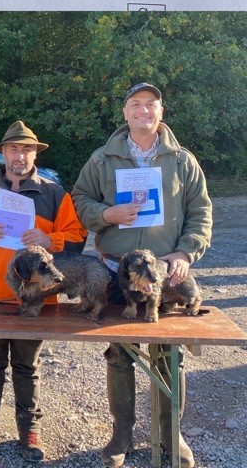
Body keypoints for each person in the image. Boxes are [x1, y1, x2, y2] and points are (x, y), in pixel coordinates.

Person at [71, 83, 212, 468]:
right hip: (116, 269)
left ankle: (170, 435)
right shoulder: (102, 159)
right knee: (120, 353)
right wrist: (106, 216)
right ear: (125, 112)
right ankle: (122, 434)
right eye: (136, 104)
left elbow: (201, 211)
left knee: (168, 356)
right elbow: (80, 200)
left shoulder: (182, 160)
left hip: (164, 272)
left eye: (151, 104)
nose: (144, 110)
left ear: (161, 112)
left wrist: (185, 252)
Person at [0, 121, 87, 462]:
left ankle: (30, 431)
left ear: (34, 154)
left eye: (27, 149)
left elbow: (77, 238)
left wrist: (50, 240)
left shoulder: (55, 194)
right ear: (3, 153)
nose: (20, 155)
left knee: (28, 368)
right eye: (14, 148)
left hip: (34, 301)